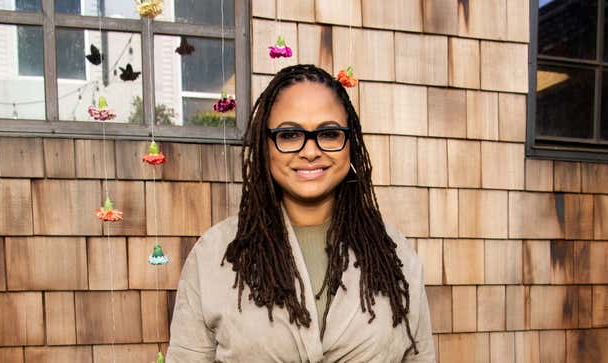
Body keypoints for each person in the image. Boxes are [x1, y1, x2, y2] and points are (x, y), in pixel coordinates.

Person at [166, 64, 435, 362]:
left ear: (351, 146)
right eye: (290, 134)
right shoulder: (213, 255)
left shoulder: (394, 255)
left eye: (329, 133)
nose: (310, 151)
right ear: (265, 146)